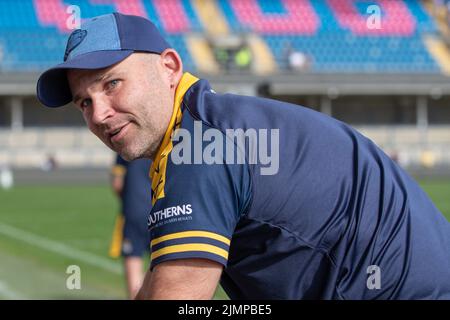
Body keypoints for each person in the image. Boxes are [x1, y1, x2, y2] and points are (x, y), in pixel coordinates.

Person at [36, 13, 450, 299]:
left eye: (111, 84)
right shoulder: (210, 123)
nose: (100, 114)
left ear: (169, 67)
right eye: (84, 103)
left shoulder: (198, 147)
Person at [109, 154, 152, 299]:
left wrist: (128, 198)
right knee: (161, 263)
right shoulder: (166, 143)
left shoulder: (126, 145)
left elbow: (117, 184)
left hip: (134, 210)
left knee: (133, 258)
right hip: (163, 211)